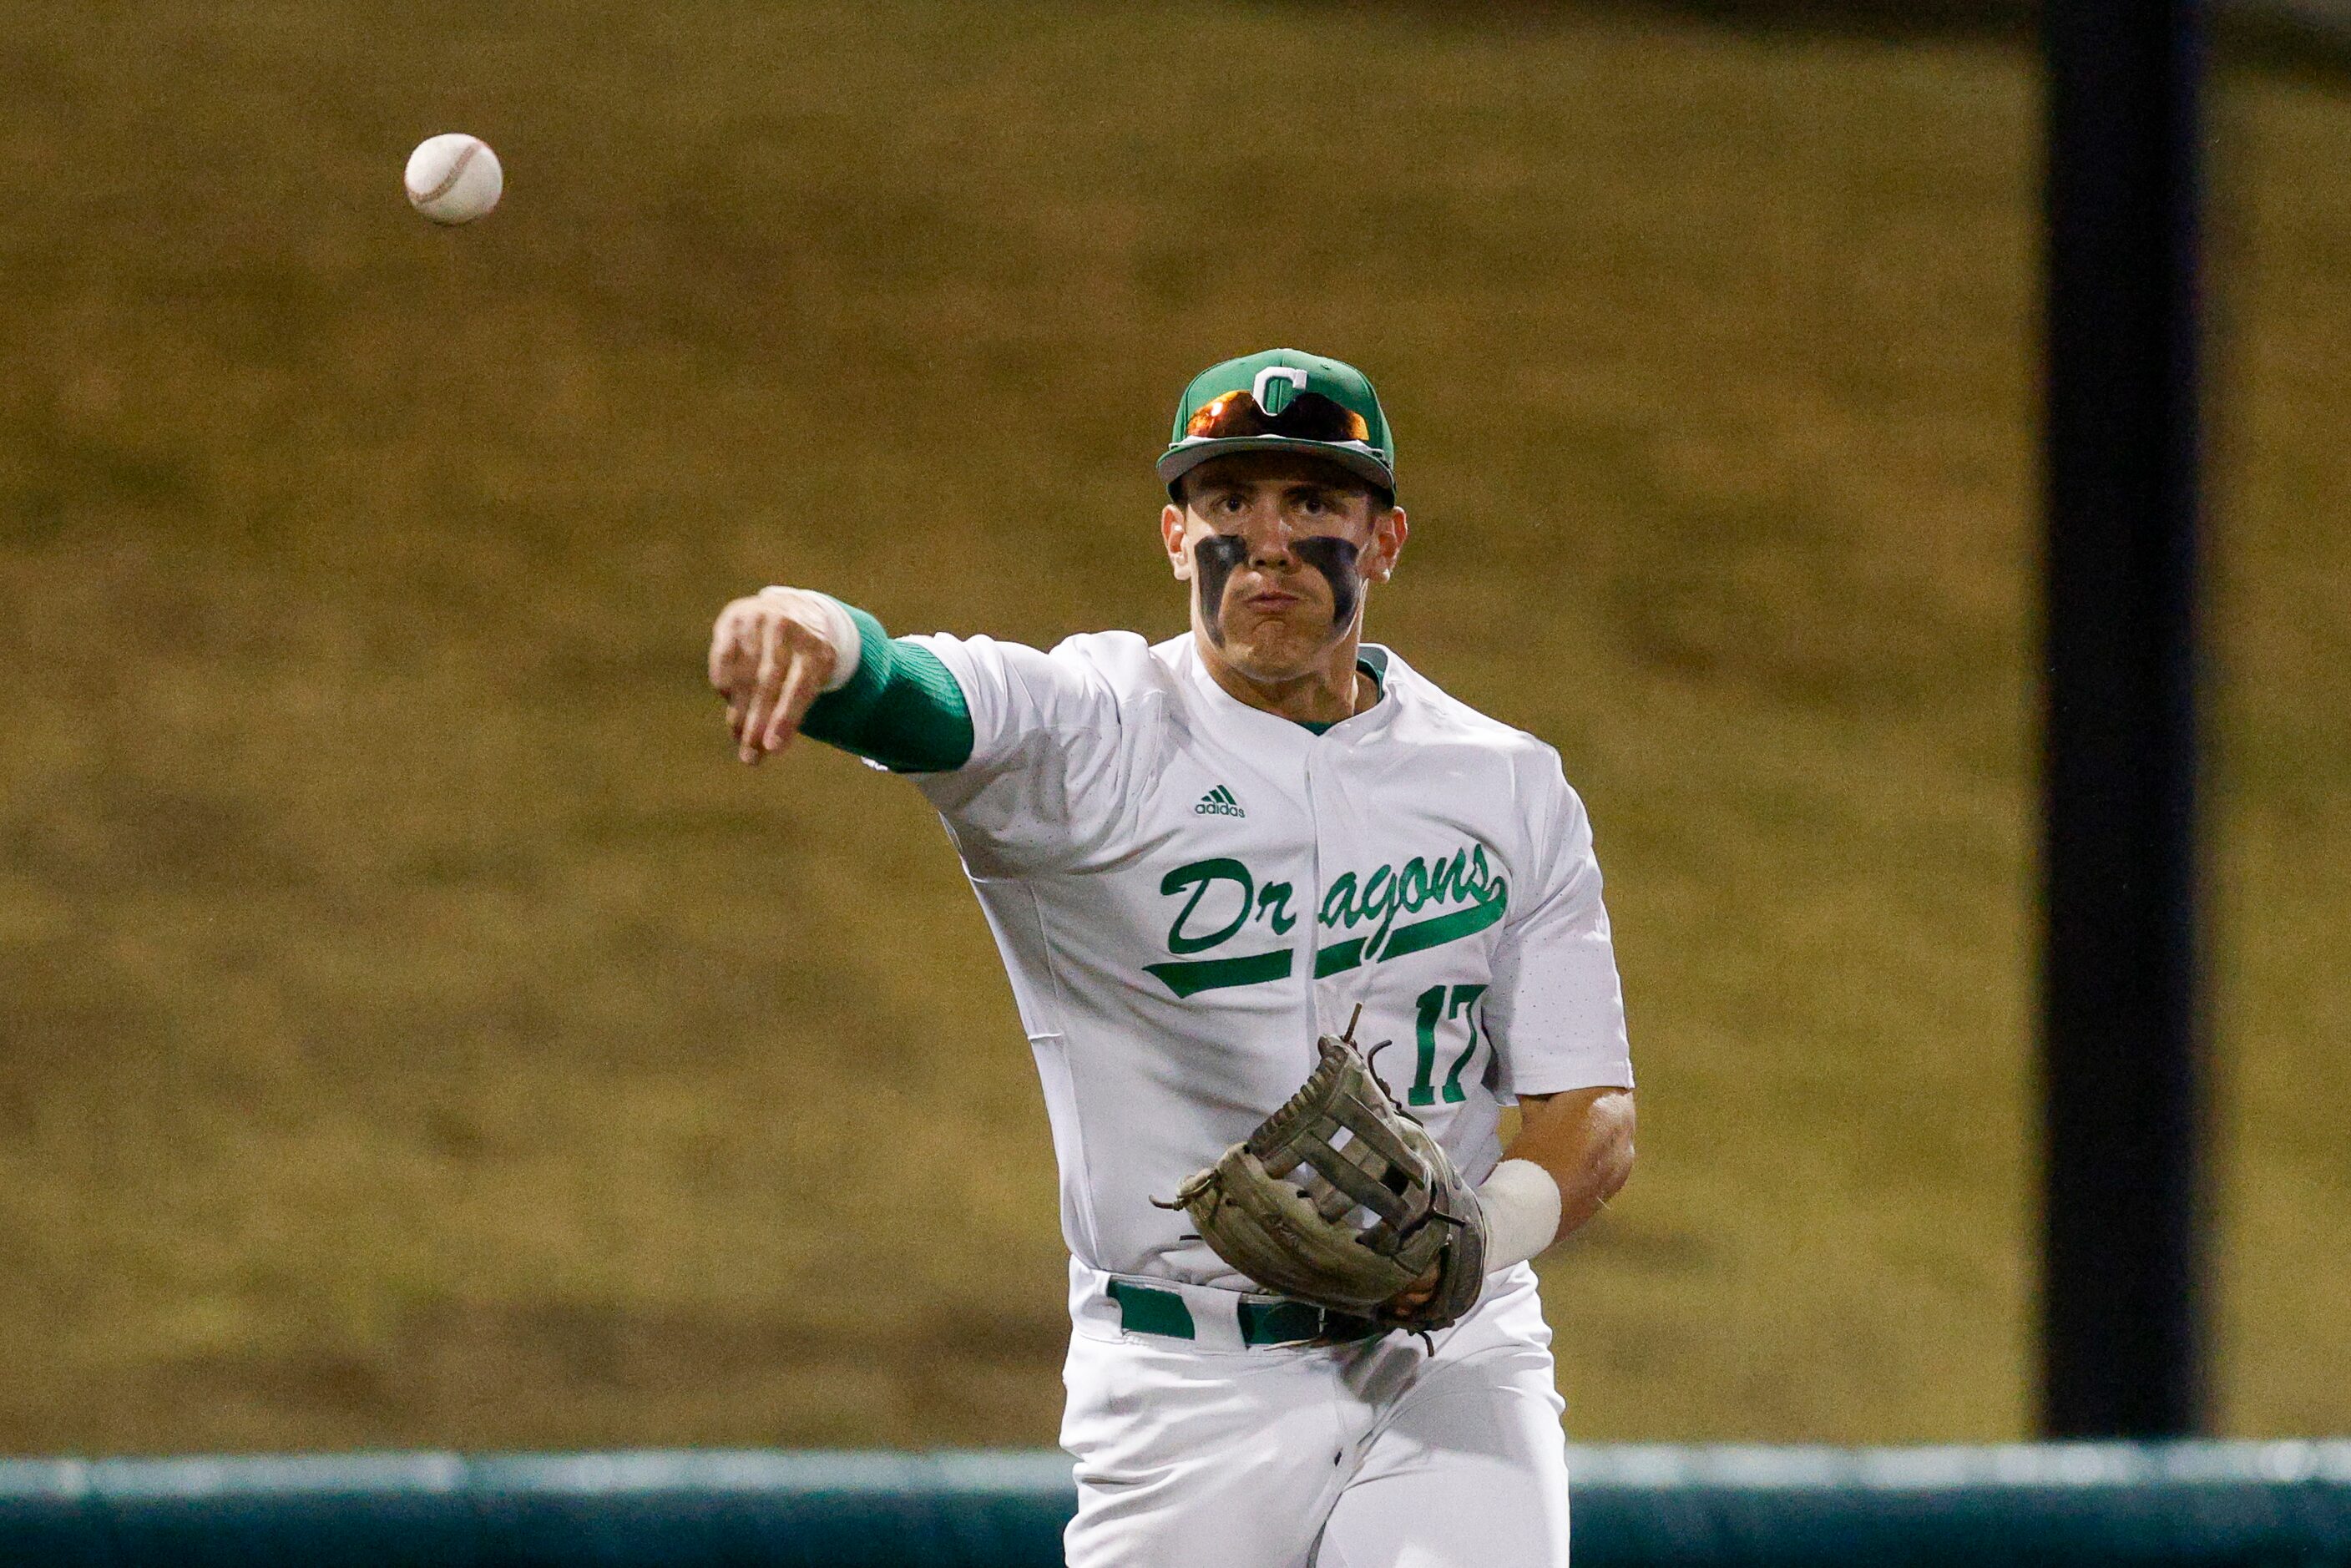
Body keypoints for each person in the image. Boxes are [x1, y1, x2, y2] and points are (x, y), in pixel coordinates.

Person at [706, 349, 1636, 1566]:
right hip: (1180, 1384)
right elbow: (924, 696)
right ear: (1172, 533)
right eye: (1228, 504)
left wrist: (1475, 1246)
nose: (1268, 542)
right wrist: (818, 636)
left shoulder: (1504, 781)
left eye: (1314, 504)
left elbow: (1590, 1110)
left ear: (1388, 537)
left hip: (1450, 1362)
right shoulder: (1091, 732)